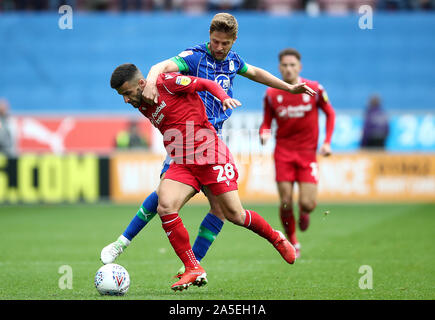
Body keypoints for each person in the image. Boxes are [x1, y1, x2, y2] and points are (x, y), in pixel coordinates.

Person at [101, 13, 315, 273]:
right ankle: (124, 242)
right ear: (209, 38)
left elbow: (256, 73)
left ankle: (195, 265)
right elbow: (164, 66)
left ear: (234, 41)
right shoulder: (195, 56)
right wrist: (153, 77)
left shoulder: (234, 61)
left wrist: (288, 88)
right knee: (164, 197)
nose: (219, 47)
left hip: (211, 139)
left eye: (224, 43)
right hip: (186, 135)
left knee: (225, 211)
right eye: (215, 41)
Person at [110, 63, 297, 290]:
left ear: (142, 84)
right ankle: (192, 267)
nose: (126, 101)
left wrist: (222, 97)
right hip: (183, 161)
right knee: (165, 205)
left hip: (210, 155)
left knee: (235, 214)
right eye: (122, 96)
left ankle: (276, 238)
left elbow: (205, 83)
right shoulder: (141, 103)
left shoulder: (167, 83)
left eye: (127, 94)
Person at [259, 48, 335, 258]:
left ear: (299, 67)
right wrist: (264, 134)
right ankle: (292, 241)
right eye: (284, 65)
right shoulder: (272, 93)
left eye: (292, 65)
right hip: (283, 152)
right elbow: (266, 121)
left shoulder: (314, 88)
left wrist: (327, 142)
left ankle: (304, 211)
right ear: (279, 68)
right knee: (285, 200)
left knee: (308, 203)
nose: (288, 69)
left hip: (307, 153)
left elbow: (330, 113)